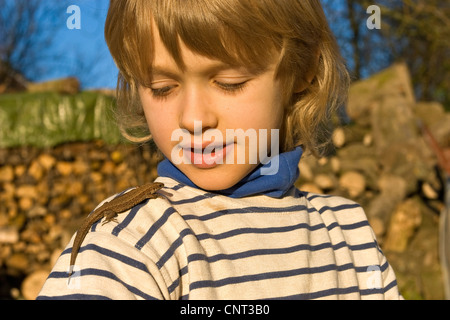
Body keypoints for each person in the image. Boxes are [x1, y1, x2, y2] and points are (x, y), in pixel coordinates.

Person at [38, 0, 402, 300]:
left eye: (229, 83)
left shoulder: (350, 240)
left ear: (301, 69)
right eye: (162, 87)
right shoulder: (131, 242)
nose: (194, 119)